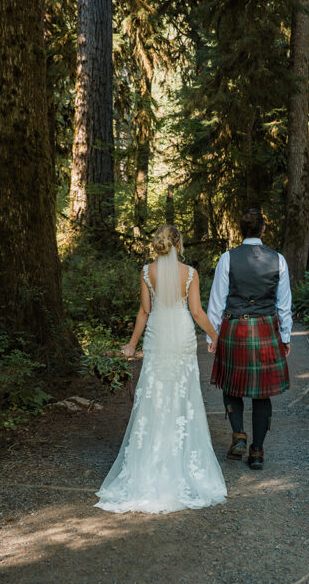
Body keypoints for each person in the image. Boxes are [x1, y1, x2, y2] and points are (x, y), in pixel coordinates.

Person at [95, 224, 227, 513]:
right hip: (180, 333)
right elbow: (195, 312)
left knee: (154, 394)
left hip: (157, 334)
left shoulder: (146, 272)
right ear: (178, 244)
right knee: (183, 394)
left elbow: (145, 311)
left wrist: (132, 344)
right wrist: (214, 335)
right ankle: (181, 461)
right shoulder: (190, 273)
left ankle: (151, 461)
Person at [207, 208, 293, 471]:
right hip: (266, 327)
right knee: (262, 393)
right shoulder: (278, 259)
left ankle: (239, 434)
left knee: (231, 385)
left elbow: (217, 300)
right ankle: (257, 452)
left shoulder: (227, 258)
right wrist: (285, 335)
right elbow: (284, 303)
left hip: (235, 327)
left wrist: (213, 334)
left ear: (241, 230)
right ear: (263, 229)